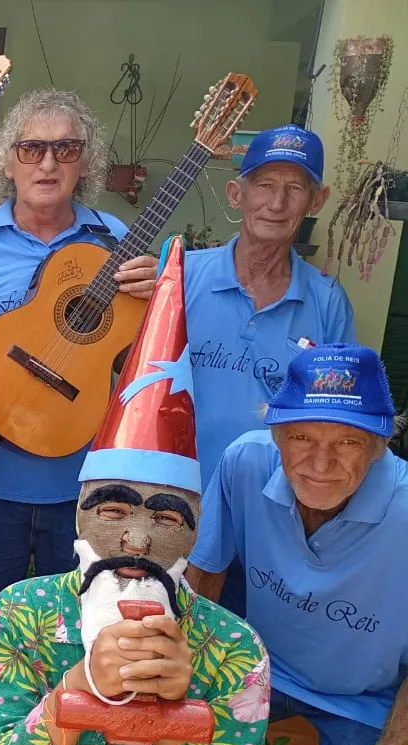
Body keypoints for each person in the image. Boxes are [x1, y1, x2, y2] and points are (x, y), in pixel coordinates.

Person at [0, 238, 269, 745]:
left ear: (195, 531)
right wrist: (79, 687)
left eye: (165, 518)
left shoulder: (234, 647)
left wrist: (168, 714)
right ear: (79, 514)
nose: (136, 541)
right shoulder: (23, 614)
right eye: (113, 511)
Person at [0, 88, 159, 745]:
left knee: (75, 625)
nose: (47, 161)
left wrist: (155, 298)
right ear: (7, 161)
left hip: (80, 481)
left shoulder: (119, 241)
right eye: (32, 148)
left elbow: (141, 359)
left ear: (83, 160)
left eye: (64, 148)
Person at [188, 343, 408, 745]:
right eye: (303, 436)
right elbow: (203, 580)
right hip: (257, 667)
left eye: (348, 441)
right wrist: (186, 694)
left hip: (362, 698)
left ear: (379, 446)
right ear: (276, 432)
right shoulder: (245, 461)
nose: (320, 462)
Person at [184, 124, 356, 619]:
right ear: (237, 194)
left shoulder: (326, 302)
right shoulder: (180, 276)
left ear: (316, 200)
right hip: (172, 502)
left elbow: (336, 419)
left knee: (239, 651)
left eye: (295, 187)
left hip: (268, 518)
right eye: (264, 185)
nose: (277, 203)